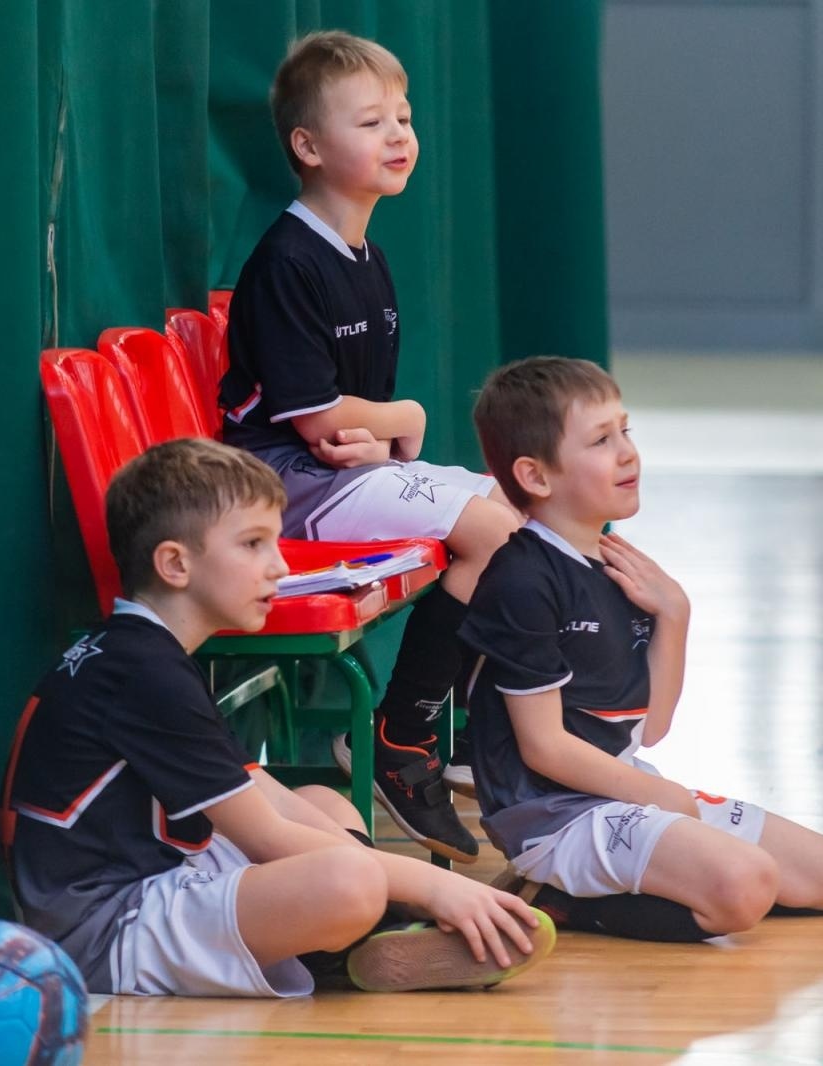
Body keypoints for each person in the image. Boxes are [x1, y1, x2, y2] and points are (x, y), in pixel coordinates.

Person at [0, 438, 553, 997]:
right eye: (253, 545)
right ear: (174, 563)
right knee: (351, 879)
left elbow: (265, 794)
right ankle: (361, 933)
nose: (280, 565)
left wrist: (404, 880)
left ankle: (367, 937)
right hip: (105, 931)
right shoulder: (144, 671)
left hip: (155, 874)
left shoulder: (142, 650)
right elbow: (266, 838)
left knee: (321, 802)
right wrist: (433, 887)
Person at [218, 29, 518, 863]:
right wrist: (409, 418)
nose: (399, 136)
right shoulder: (287, 262)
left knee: (521, 525)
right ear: (307, 147)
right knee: (494, 538)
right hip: (287, 486)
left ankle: (428, 730)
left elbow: (366, 424)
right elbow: (321, 423)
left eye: (404, 117)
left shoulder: (368, 258)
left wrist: (393, 432)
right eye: (371, 122)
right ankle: (400, 742)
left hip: (341, 473)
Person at [459, 357, 823, 941]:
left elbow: (652, 728)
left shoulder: (616, 563)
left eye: (626, 430)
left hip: (622, 786)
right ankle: (554, 896)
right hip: (553, 817)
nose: (627, 453)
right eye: (600, 440)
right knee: (745, 887)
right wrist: (662, 797)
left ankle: (656, 867)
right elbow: (543, 748)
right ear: (537, 477)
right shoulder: (524, 581)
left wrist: (676, 613)